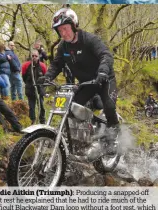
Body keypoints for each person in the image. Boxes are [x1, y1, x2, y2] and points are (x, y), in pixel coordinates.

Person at [38, 7, 119, 155]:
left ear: (74, 25)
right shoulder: (63, 46)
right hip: (86, 83)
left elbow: (106, 55)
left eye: (65, 28)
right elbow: (57, 64)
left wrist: (102, 71)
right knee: (71, 108)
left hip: (104, 79)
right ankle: (83, 136)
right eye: (60, 30)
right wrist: (48, 77)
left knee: (108, 105)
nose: (63, 33)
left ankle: (113, 137)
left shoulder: (90, 39)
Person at [22, 50, 47, 124]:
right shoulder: (25, 65)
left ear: (38, 57)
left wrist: (43, 89)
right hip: (30, 89)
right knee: (31, 107)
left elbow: (46, 77)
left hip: (40, 89)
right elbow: (24, 77)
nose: (34, 57)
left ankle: (42, 121)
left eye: (36, 56)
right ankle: (32, 120)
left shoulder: (42, 66)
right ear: (30, 56)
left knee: (41, 106)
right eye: (32, 56)